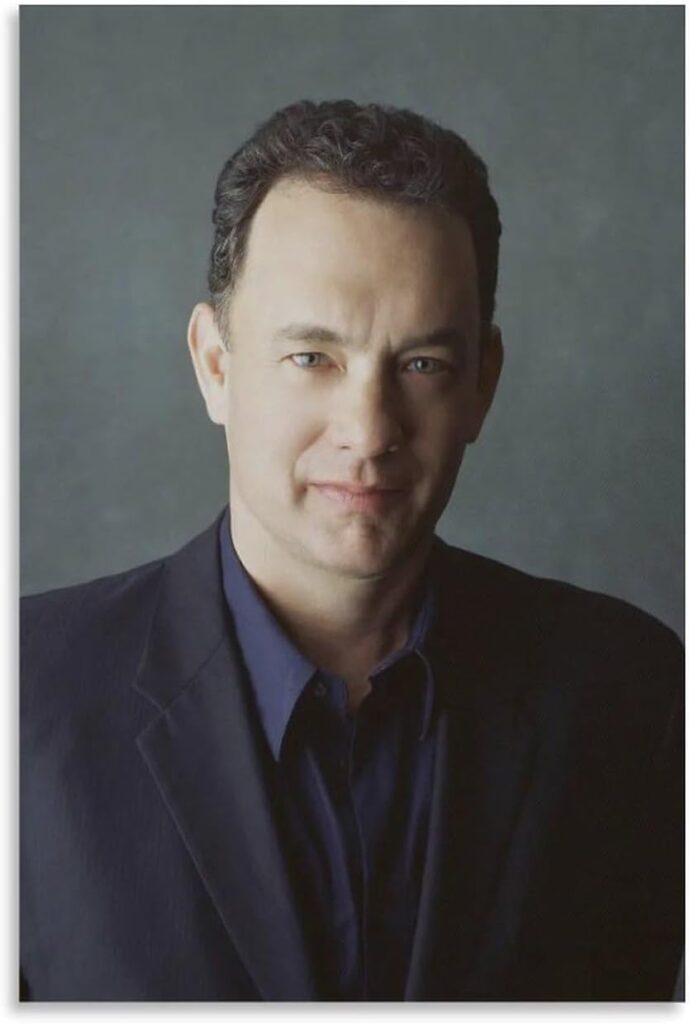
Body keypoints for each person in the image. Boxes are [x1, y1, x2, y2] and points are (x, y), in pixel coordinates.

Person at [20, 99, 683, 1002]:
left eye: (422, 365)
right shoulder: (25, 700)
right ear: (215, 365)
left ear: (482, 384)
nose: (368, 432)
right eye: (312, 358)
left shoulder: (633, 698)